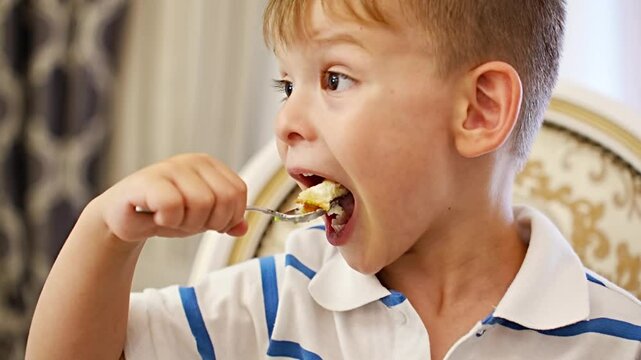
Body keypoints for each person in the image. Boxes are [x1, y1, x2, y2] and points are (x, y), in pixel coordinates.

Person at [26, 0, 641, 359]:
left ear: (478, 110)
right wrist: (106, 233)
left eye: (335, 79)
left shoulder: (617, 342)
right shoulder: (274, 304)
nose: (287, 121)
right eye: (286, 85)